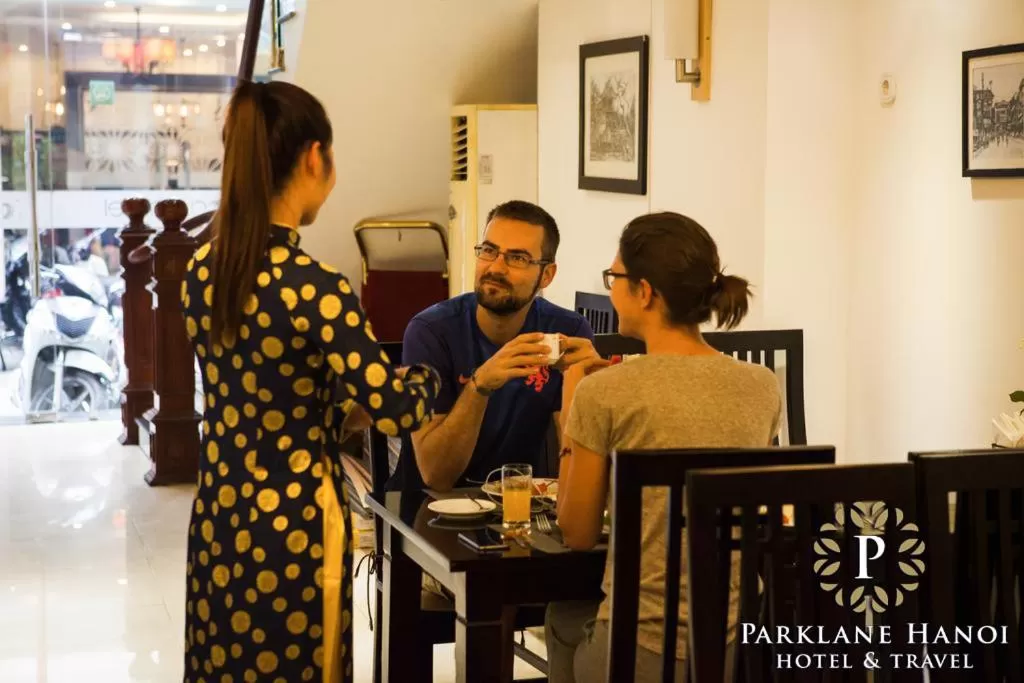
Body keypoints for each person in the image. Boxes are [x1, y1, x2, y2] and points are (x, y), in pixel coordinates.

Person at [180, 81, 440, 683]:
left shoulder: (201, 270)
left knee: (226, 663)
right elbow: (396, 408)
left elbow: (261, 387)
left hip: (221, 507)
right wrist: (430, 373)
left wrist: (332, 405)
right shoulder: (315, 287)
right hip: (295, 519)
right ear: (314, 158)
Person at [546, 212, 782, 682]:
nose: (611, 287)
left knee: (561, 617)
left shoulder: (604, 392)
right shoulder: (762, 386)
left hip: (640, 655)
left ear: (646, 291)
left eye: (614, 277)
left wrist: (574, 395)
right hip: (737, 649)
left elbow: (576, 532)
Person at [388, 200, 600, 492]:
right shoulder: (431, 332)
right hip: (427, 512)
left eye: (518, 258)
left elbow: (578, 466)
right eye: (489, 251)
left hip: (521, 505)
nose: (496, 268)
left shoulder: (567, 331)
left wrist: (590, 388)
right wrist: (480, 385)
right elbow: (436, 475)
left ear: (547, 275)